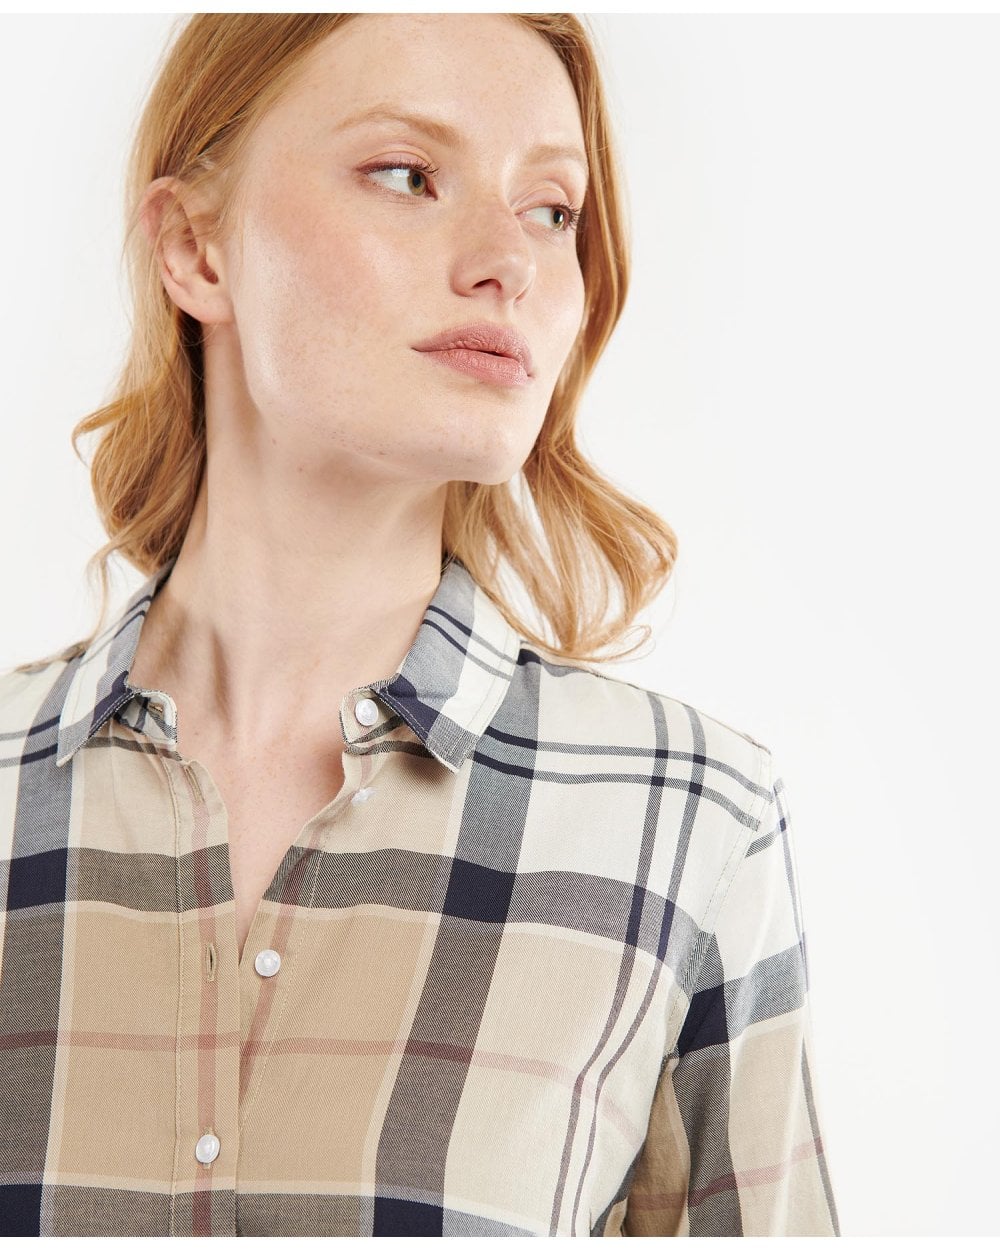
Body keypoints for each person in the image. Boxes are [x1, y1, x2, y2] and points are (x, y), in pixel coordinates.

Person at [0, 12, 840, 1238]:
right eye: (406, 175)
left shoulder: (687, 819)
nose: (509, 263)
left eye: (551, 209)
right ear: (195, 249)